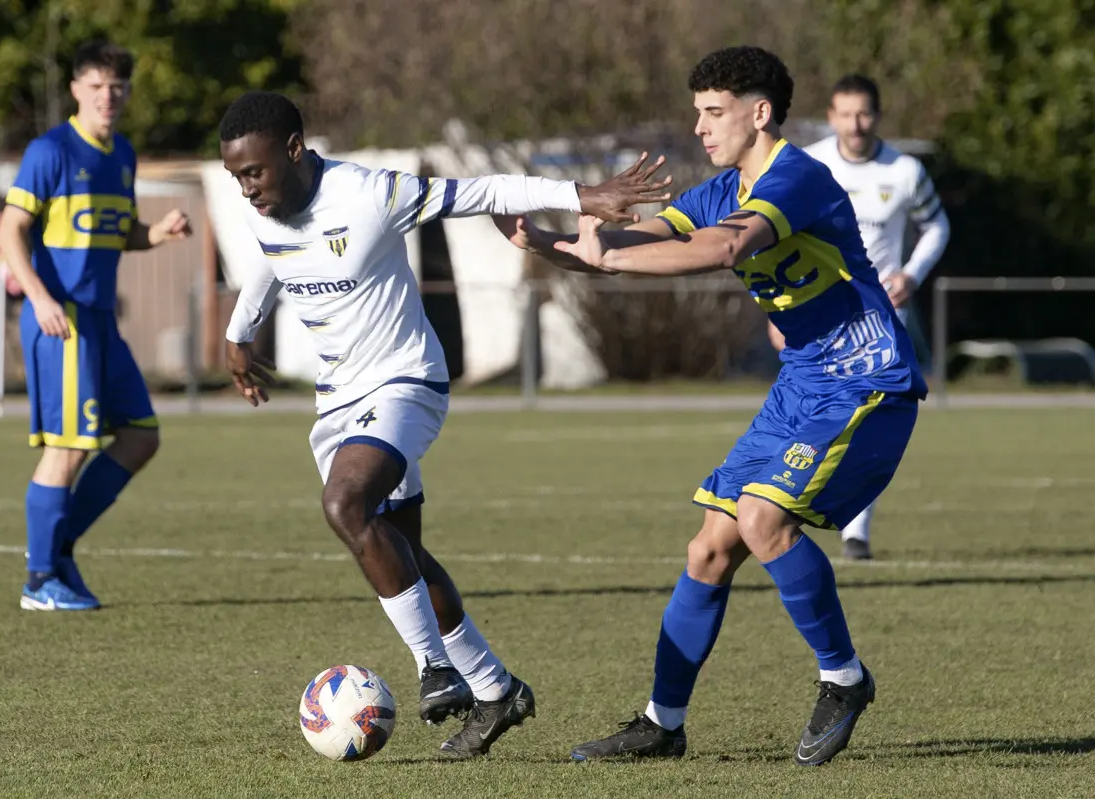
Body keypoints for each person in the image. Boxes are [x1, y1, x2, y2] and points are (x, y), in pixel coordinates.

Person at [498, 45, 927, 766]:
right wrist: (550, 242)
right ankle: (663, 722)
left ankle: (844, 678)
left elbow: (726, 248)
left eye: (713, 112)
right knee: (711, 544)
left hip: (864, 380)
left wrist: (607, 257)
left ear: (759, 113)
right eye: (696, 112)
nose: (698, 127)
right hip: (802, 382)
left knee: (762, 519)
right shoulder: (719, 190)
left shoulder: (799, 178)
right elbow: (637, 239)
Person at [216, 90, 671, 758]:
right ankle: (496, 690)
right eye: (235, 177)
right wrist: (238, 335)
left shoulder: (369, 193)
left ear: (292, 149)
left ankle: (434, 667)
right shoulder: (266, 211)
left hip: (405, 381)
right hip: (338, 401)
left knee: (344, 503)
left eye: (252, 172)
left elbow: (481, 189)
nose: (246, 189)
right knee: (404, 557)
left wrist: (582, 196)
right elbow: (267, 260)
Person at [0, 40, 193, 611]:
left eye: (119, 87)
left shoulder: (122, 154)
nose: (109, 96)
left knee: (140, 435)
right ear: (77, 90)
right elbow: (10, 232)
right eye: (98, 86)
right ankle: (39, 581)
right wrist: (38, 298)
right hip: (63, 320)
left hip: (102, 320)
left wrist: (156, 234)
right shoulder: (50, 150)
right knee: (69, 447)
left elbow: (121, 230)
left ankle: (58, 552)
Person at [769, 73, 950, 560]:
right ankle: (785, 504)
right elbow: (778, 236)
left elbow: (937, 226)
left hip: (881, 314)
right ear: (831, 117)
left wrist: (911, 275)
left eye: (864, 113)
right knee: (809, 410)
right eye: (846, 114)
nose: (856, 123)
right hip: (816, 310)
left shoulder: (905, 171)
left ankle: (855, 528)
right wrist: (775, 308)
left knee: (870, 417)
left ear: (878, 115)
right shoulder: (812, 164)